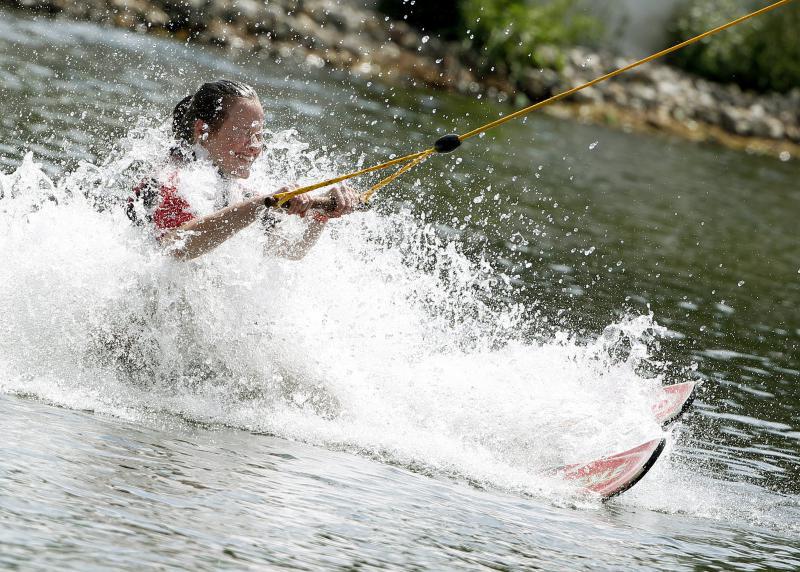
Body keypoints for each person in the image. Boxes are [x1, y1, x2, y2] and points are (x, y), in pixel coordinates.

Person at [127, 79, 358, 260]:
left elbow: (287, 250)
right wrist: (260, 204)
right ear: (202, 130)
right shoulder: (168, 180)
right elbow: (175, 247)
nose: (254, 147)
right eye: (243, 132)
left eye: (258, 135)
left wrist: (321, 215)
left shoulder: (239, 191)